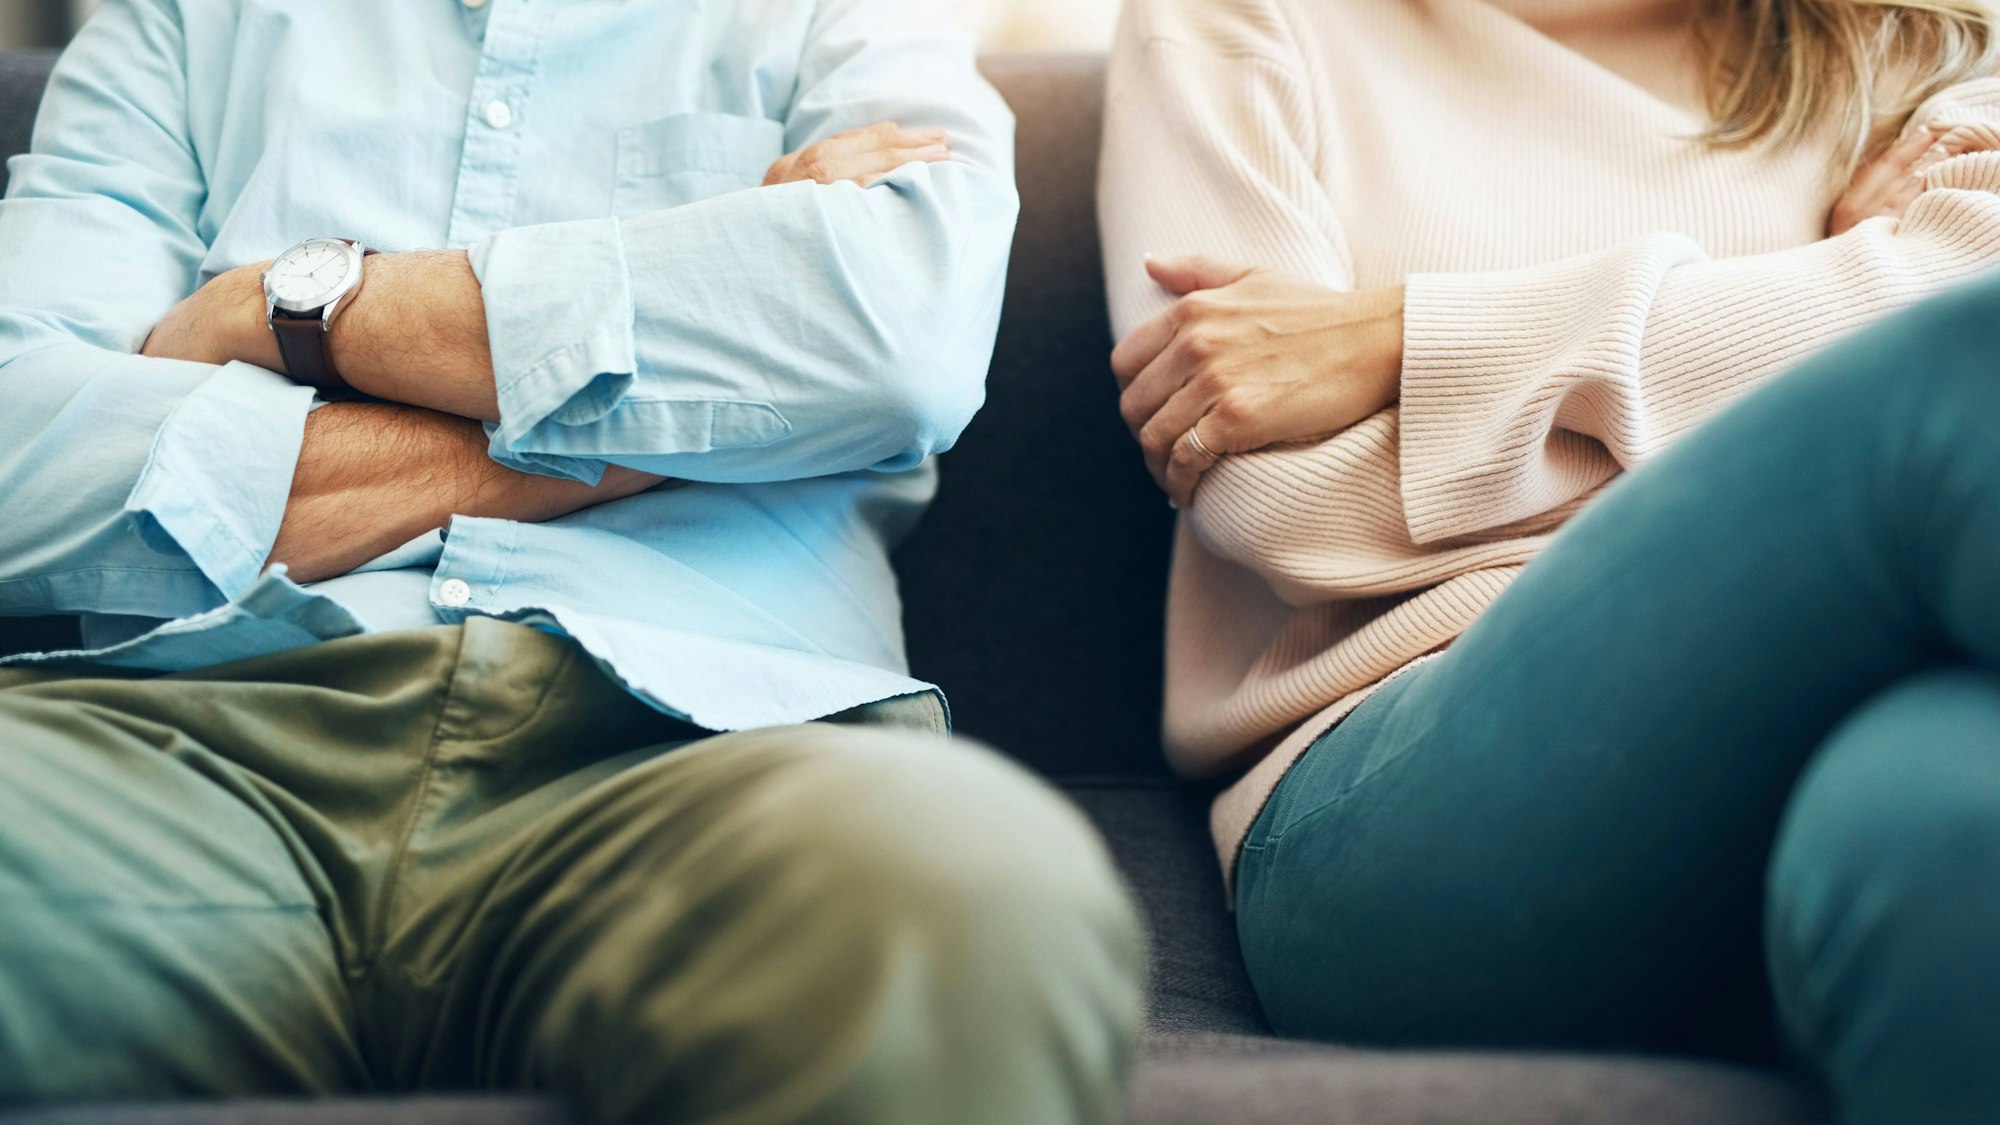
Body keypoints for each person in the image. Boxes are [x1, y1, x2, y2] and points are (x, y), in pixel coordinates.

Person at [0, 1, 1145, 1121]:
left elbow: (898, 340)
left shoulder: (841, 18)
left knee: (970, 885)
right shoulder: (181, 23)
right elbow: (22, 456)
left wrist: (287, 310)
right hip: (176, 741)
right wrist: (699, 390)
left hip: (699, 754)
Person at [1098, 0, 2000, 1120]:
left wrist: (1409, 342)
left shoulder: (1922, 37)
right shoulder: (1243, 24)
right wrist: (1799, 317)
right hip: (1404, 795)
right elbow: (1287, 504)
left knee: (1950, 823)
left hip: (1842, 725)